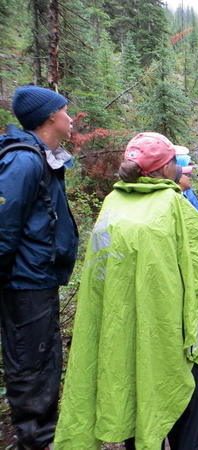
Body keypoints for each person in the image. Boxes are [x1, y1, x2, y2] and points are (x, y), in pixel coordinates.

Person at [54, 132, 198, 449]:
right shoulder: (175, 206)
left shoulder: (112, 204)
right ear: (168, 167)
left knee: (137, 419)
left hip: (124, 345)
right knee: (189, 433)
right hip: (175, 347)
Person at [0, 85, 79, 449]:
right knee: (31, 365)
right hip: (23, 284)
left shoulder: (41, 156)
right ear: (50, 117)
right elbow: (3, 224)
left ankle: (42, 436)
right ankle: (34, 439)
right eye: (65, 110)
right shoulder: (24, 160)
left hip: (38, 279)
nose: (70, 116)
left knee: (45, 361)